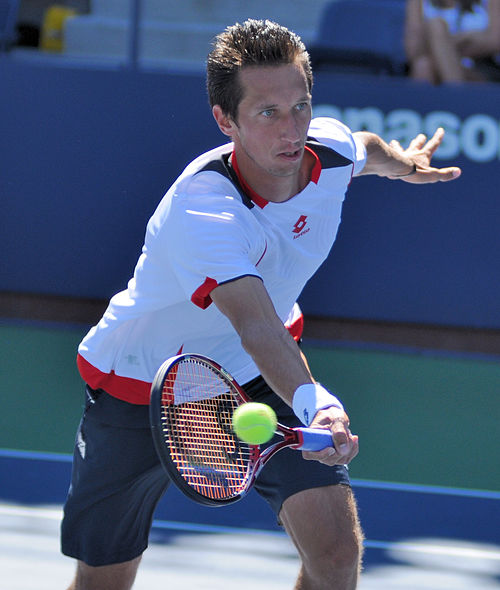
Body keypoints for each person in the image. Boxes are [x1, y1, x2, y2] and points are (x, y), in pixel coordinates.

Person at [61, 19, 461, 590]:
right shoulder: (206, 208)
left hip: (253, 375)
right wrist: (317, 404)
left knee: (335, 553)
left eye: (300, 106)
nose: (291, 128)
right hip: (140, 387)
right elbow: (255, 322)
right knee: (105, 581)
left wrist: (400, 164)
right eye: (267, 113)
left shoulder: (328, 148)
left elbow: (363, 149)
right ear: (226, 120)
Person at [405, 0, 500, 83]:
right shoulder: (418, 2)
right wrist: (467, 38)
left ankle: (456, 95)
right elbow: (413, 51)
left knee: (437, 29)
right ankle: (457, 96)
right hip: (433, 64)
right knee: (423, 65)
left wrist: (441, 43)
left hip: (479, 67)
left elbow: (495, 42)